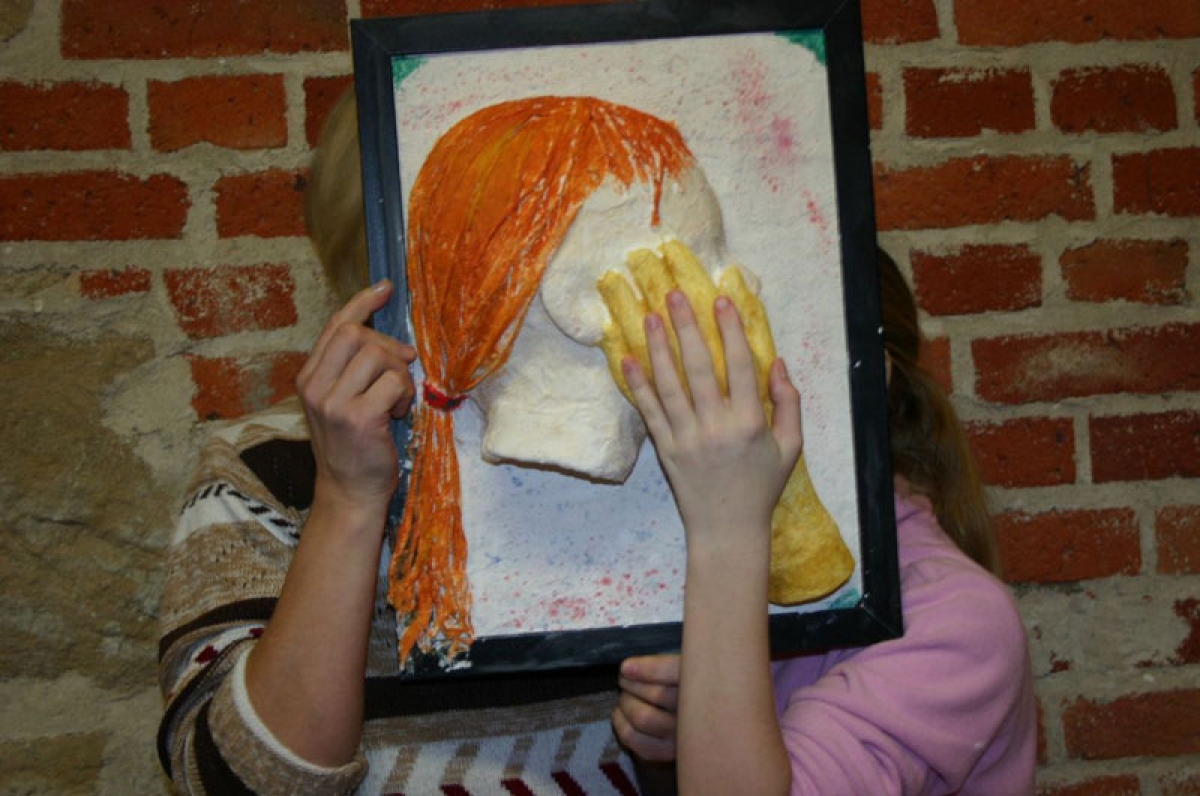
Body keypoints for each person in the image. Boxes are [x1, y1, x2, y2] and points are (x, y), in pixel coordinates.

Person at [156, 92, 643, 794]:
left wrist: (672, 738)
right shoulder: (265, 466)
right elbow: (235, 782)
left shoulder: (640, 455)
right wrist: (347, 500)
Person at [610, 248, 1038, 794]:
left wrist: (725, 529)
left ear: (863, 377)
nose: (709, 400)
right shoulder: (727, 569)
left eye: (743, 354)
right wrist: (678, 745)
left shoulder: (963, 620)